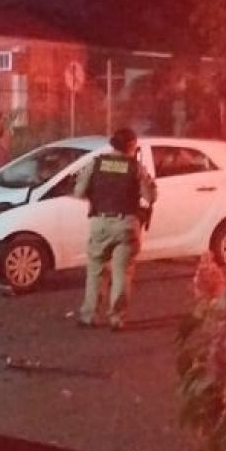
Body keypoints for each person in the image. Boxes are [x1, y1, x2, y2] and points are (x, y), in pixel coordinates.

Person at [72, 126, 157, 331]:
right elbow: (151, 197)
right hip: (127, 224)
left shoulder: (96, 164)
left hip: (100, 223)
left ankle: (89, 315)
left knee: (95, 270)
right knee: (122, 273)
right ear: (131, 146)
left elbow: (78, 192)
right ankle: (117, 319)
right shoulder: (135, 167)